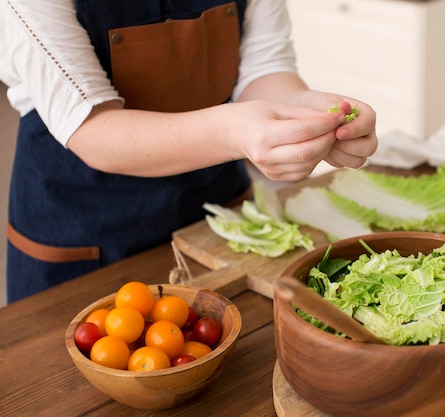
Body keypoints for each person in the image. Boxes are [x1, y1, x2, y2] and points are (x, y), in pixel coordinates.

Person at [0, 0, 377, 303]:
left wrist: (308, 109)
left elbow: (264, 68)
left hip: (215, 223)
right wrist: (237, 131)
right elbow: (92, 128)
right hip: (80, 236)